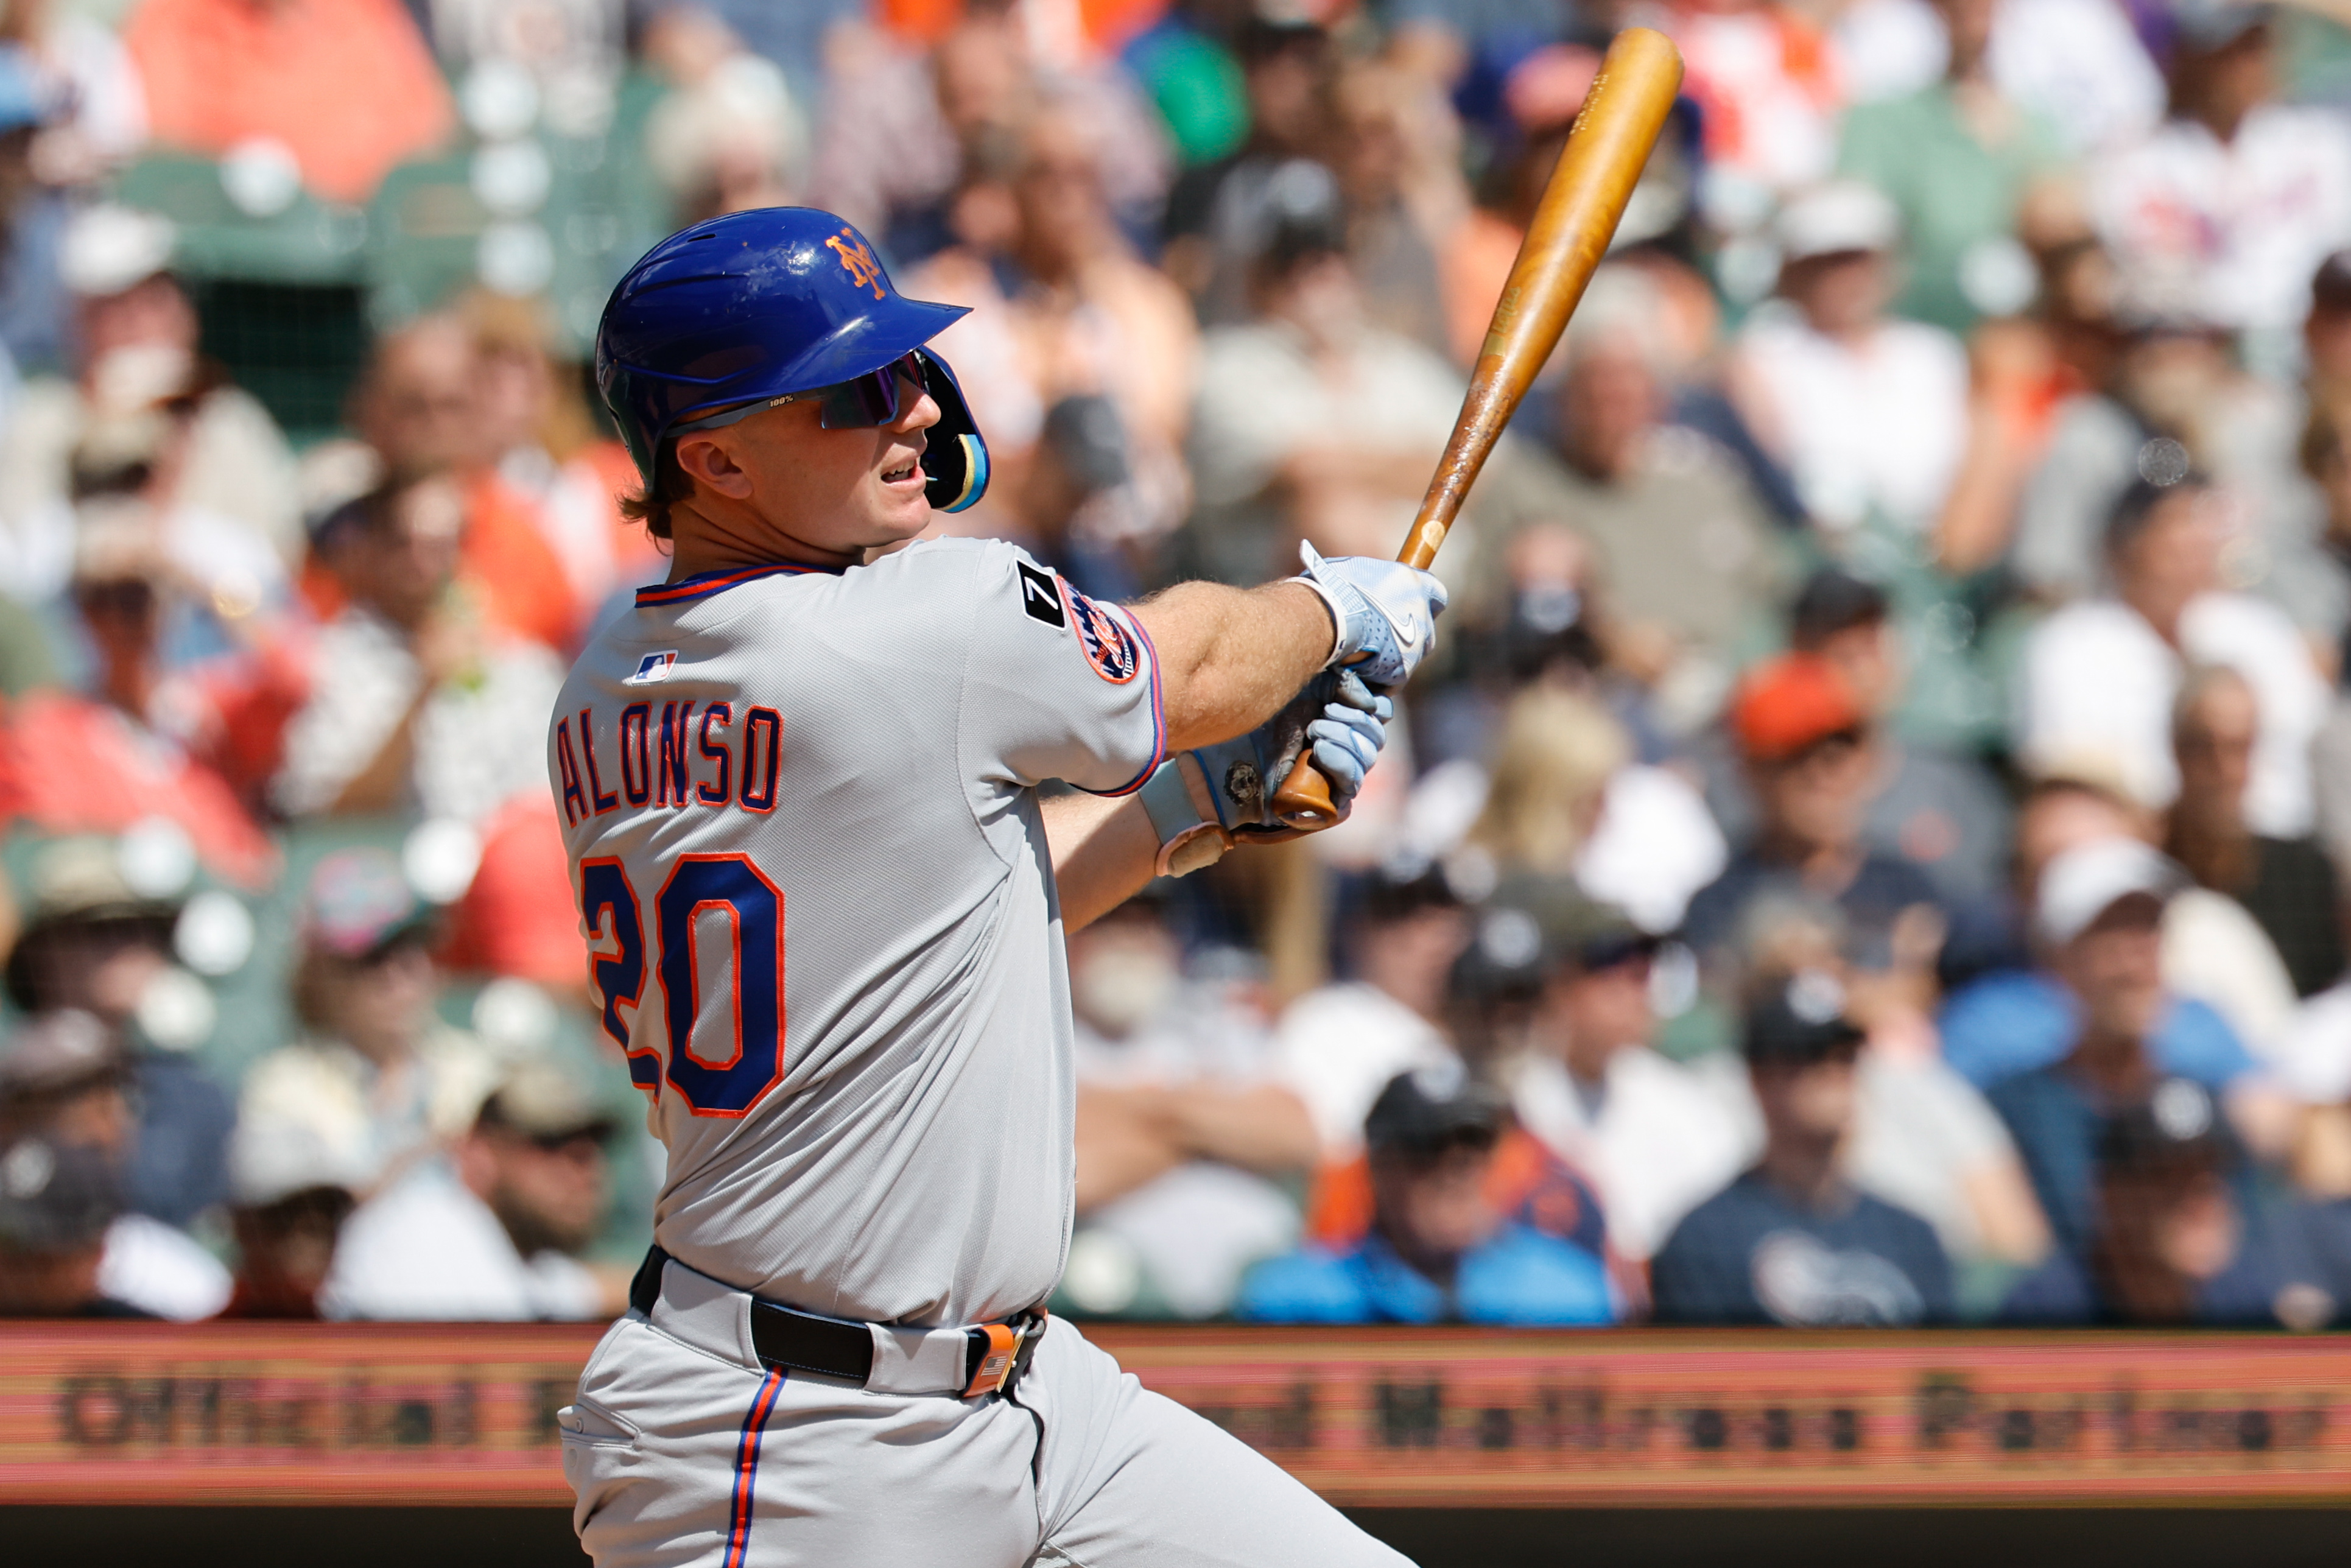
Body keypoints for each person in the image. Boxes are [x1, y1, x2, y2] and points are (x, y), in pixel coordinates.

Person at [555, 206, 1444, 1566]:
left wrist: (1190, 808)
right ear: (715, 457)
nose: (910, 409)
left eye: (905, 369)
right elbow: (1194, 666)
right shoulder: (913, 624)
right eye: (850, 393)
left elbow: (924, 932)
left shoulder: (610, 666)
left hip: (1032, 1398)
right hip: (792, 1444)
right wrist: (1336, 614)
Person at [1973, 837, 2285, 1257]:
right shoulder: (2014, 1114)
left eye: (2149, 929)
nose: (2136, 961)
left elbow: (2246, 1250)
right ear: (2058, 958)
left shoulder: (2205, 1107)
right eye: (2112, 934)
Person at [2017, 475, 2330, 839]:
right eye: (2177, 528)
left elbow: (2307, 740)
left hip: (2271, 847)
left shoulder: (2259, 631)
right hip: (2134, 847)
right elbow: (2067, 772)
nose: (2191, 547)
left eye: (2201, 529)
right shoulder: (2068, 646)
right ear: (2125, 546)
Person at [1650, 971, 1955, 1326]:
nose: (1834, 1074)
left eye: (1846, 1057)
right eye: (1811, 1057)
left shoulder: (1910, 1235)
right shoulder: (1704, 1239)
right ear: (1759, 1079)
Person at [270, 467, 566, 824]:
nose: (421, 564)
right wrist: (424, 690)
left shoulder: (523, 666)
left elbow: (553, 804)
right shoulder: (324, 662)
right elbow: (323, 812)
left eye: (439, 546)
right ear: (373, 547)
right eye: (403, 543)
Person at [1067, 895, 1314, 1320]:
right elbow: (1072, 1178)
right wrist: (1204, 1131)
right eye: (1111, 923)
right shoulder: (1045, 1034)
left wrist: (1138, 1111)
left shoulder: (1210, 1020)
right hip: (1118, 1293)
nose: (1132, 940)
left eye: (1149, 924)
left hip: (1257, 1283)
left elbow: (1297, 1136)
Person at [1707, 568, 2012, 901]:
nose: (1859, 670)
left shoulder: (1950, 779)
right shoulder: (1753, 793)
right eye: (1839, 653)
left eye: (1868, 645)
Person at [1235, 1064, 1614, 1326]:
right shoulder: (1300, 1298)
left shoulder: (1566, 1288)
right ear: (1378, 1167)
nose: (1454, 1172)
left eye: (1473, 1147)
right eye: (1428, 1150)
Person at [1499, 881, 1746, 1264]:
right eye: (1610, 962)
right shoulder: (1513, 1096)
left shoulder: (1684, 1106)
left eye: (1645, 966)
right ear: (1559, 982)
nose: (1636, 983)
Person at [238, 849, 499, 1189]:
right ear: (324, 980)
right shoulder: (284, 1090)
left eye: (409, 947)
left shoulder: (477, 1073)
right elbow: (299, 1219)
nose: (396, 976)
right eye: (370, 959)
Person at [1730, 179, 1970, 536]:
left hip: (1932, 546)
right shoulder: (1768, 351)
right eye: (1828, 262)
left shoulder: (1934, 355)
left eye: (1859, 259)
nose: (1847, 276)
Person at [1681, 653, 1947, 972]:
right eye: (1795, 758)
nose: (1821, 777)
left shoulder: (1910, 889)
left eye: (1838, 756)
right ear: (1750, 772)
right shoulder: (1721, 905)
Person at [2001, 1084, 2335, 1327]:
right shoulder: (2044, 1312)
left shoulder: (2245, 1296)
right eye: (2170, 1179)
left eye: (2210, 1178)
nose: (2201, 1203)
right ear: (2109, 1195)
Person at [322, 1057, 620, 1322]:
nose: (587, 1169)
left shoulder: (525, 1250)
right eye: (551, 1144)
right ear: (476, 1153)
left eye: (594, 1145)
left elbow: (593, 1290)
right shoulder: (419, 1239)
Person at [1834, 0, 2065, 334]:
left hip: (2021, 336)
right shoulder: (1880, 121)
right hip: (1917, 328)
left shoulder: (2040, 127)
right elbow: (1854, 233)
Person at [0, 1007, 231, 1320]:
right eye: (71, 1096)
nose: (105, 1115)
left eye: (114, 1090)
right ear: (9, 1118)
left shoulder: (178, 1282)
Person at [2165, 666, 2345, 999]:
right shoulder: (2146, 873)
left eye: (2239, 748)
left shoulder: (2305, 874)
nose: (2223, 769)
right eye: (2204, 746)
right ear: (2175, 750)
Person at [1274, 867, 1470, 1166]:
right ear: (1357, 932)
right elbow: (1333, 1151)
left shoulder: (1496, 1022)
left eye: (1436, 918)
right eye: (1396, 918)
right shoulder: (1326, 1020)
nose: (1418, 939)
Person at [0, 1134, 152, 1317]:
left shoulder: (138, 1334)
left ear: (98, 1254)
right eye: (8, 1246)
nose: (16, 1276)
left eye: (42, 1262)